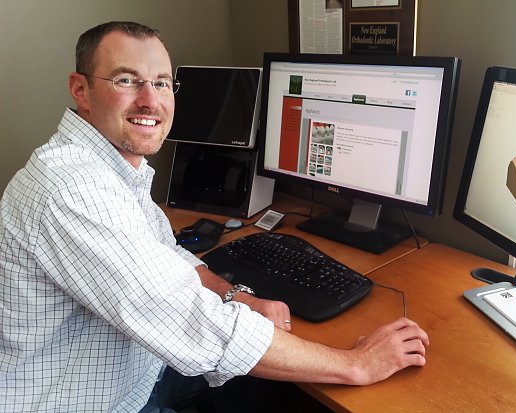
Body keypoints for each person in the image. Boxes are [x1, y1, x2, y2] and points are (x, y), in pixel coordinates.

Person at [0, 21, 429, 412]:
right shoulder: (73, 190)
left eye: (162, 83)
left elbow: (166, 257)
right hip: (100, 401)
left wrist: (235, 295)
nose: (150, 100)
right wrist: (356, 363)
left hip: (138, 371)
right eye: (126, 80)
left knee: (280, 392)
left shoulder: (109, 169)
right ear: (80, 89)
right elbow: (188, 322)